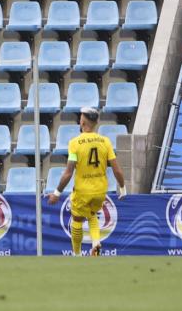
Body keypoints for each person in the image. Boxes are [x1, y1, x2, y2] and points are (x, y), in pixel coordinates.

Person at [46, 107, 127, 256]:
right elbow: (117, 169)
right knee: (91, 214)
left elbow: (68, 172)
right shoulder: (105, 141)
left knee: (77, 218)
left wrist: (57, 193)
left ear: (83, 121)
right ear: (96, 123)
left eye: (81, 117)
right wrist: (122, 187)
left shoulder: (75, 143)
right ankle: (96, 243)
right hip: (100, 190)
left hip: (83, 190)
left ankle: (76, 254)